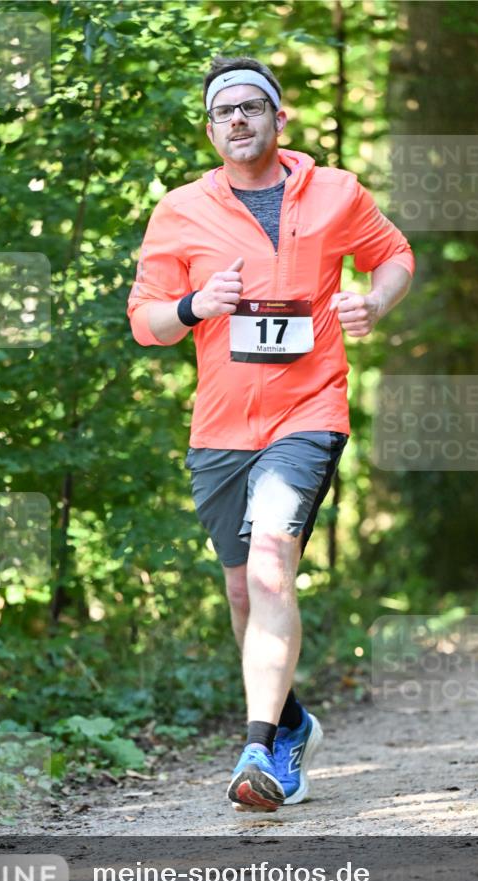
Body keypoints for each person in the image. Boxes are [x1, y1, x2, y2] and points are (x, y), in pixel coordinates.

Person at [127, 55, 414, 813]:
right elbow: (146, 322)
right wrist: (195, 305)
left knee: (268, 568)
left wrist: (373, 305)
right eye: (224, 112)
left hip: (308, 410)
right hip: (220, 426)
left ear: (277, 118)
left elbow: (393, 256)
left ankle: (261, 750)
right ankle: (292, 722)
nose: (238, 121)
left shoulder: (335, 193)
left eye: (253, 107)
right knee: (240, 593)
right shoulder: (181, 210)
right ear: (212, 126)